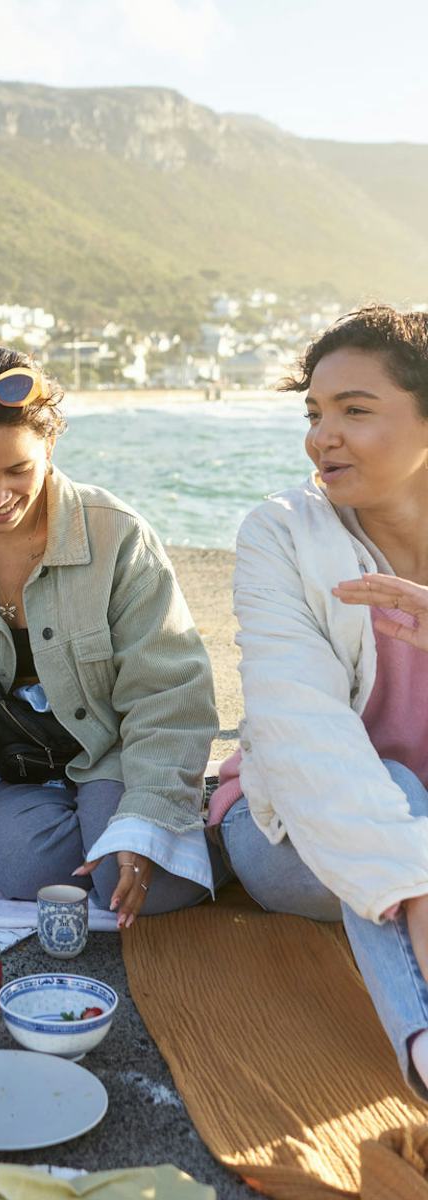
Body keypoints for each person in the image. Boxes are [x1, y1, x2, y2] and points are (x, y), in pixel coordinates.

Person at [0, 344, 223, 927]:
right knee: (18, 869)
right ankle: (98, 827)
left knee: (128, 879)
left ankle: (209, 826)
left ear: (50, 445)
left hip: (110, 750)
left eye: (18, 471)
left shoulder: (119, 535)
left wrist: (150, 815)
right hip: (4, 768)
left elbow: (170, 691)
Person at [209, 304, 428, 1095]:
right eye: (314, 413)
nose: (319, 437)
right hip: (285, 826)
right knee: (397, 795)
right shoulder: (282, 534)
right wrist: (417, 881)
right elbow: (302, 739)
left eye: (355, 411)